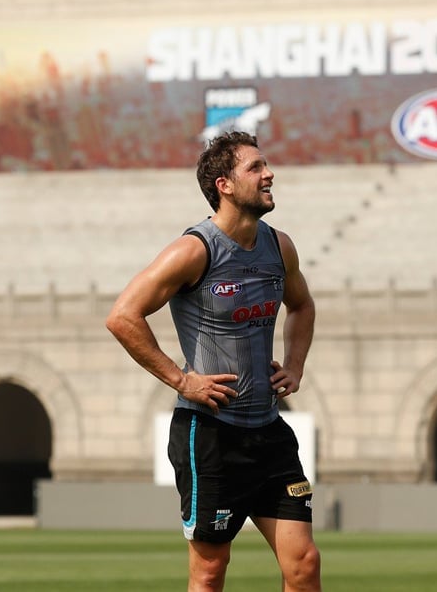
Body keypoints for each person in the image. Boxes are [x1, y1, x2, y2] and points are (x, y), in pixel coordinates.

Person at [105, 131, 320, 591]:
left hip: (269, 431)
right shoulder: (193, 250)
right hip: (211, 436)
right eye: (256, 168)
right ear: (224, 184)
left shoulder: (280, 246)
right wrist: (182, 380)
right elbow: (122, 316)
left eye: (266, 166)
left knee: (303, 564)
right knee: (209, 572)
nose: (269, 174)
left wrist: (295, 364)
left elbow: (302, 306)